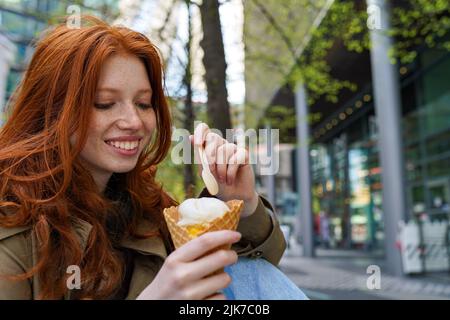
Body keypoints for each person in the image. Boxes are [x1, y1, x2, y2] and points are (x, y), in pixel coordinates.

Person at [0, 16, 307, 300]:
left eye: (144, 104)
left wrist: (242, 202)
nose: (134, 121)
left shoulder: (150, 208)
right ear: (50, 111)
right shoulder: (11, 227)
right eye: (105, 103)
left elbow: (256, 281)